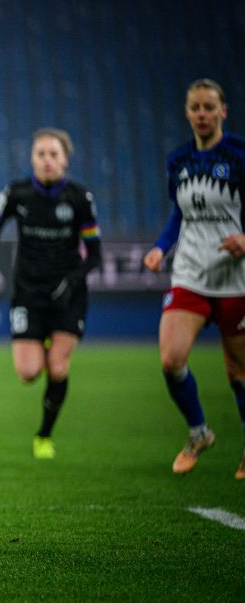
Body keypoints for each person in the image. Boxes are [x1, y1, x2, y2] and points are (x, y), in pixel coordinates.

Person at [142, 78, 245, 479]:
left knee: (238, 373)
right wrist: (160, 247)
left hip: (235, 277)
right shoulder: (178, 161)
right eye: (195, 108)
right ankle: (199, 432)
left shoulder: (239, 155)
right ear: (187, 113)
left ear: (223, 111)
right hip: (189, 273)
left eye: (209, 107)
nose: (202, 114)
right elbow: (178, 213)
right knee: (171, 359)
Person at [0, 127, 102, 460]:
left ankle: (44, 435)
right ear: (32, 159)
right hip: (28, 293)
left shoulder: (80, 199)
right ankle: (46, 349)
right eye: (41, 154)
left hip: (68, 294)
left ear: (65, 160)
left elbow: (95, 255)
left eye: (53, 154)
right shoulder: (16, 193)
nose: (47, 160)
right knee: (29, 373)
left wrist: (72, 282)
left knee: (58, 368)